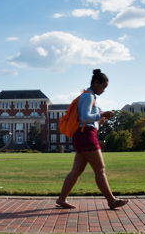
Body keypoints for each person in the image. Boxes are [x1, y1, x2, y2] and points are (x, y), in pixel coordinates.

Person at [55, 69, 129, 210]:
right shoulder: (89, 96)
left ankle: (61, 199)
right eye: (103, 87)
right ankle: (111, 200)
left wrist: (101, 117)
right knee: (100, 169)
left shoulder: (87, 96)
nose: (103, 90)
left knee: (76, 171)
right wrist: (100, 116)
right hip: (87, 136)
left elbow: (89, 117)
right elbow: (84, 117)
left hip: (81, 136)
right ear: (96, 83)